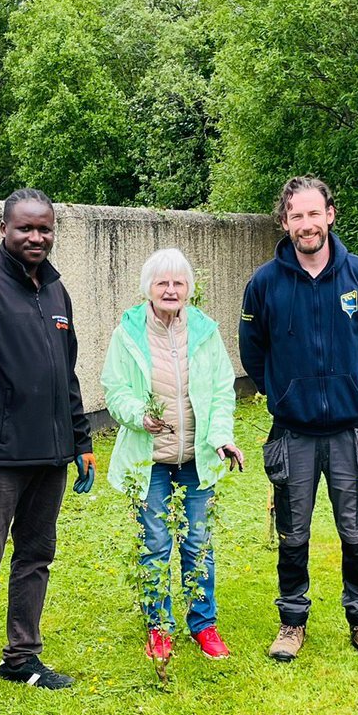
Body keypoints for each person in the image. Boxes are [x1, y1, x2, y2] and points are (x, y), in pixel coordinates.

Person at [0, 188, 96, 711]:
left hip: (50, 457)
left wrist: (81, 441)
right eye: (25, 228)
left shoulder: (55, 292)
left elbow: (65, 374)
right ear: (4, 229)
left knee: (36, 556)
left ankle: (21, 657)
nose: (36, 237)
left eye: (44, 228)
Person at [239, 175, 358, 662]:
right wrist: (283, 392)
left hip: (351, 429)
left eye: (313, 213)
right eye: (295, 215)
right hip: (294, 432)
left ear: (330, 214)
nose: (305, 224)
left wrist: (351, 385)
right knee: (293, 534)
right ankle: (291, 622)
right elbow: (253, 353)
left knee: (355, 532)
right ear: (283, 222)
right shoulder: (263, 284)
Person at [101, 248, 244, 661]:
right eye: (162, 282)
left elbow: (220, 391)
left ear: (188, 289)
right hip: (151, 463)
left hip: (196, 458)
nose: (170, 290)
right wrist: (138, 416)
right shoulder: (127, 331)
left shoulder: (204, 331)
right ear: (148, 288)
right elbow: (115, 389)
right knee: (156, 543)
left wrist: (220, 437)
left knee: (198, 543)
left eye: (178, 283)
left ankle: (204, 625)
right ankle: (159, 628)